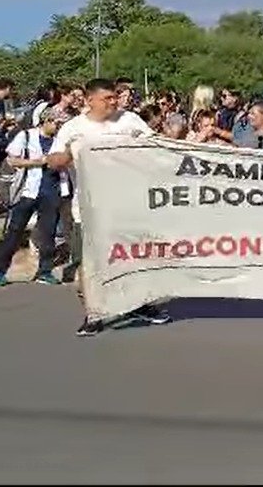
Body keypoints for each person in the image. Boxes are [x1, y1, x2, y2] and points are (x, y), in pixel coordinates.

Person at [44, 78, 167, 337]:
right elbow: (53, 161)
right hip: (87, 208)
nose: (114, 102)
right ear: (90, 101)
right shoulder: (73, 127)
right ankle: (93, 314)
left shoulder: (130, 121)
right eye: (107, 98)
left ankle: (138, 305)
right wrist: (69, 154)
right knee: (87, 264)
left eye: (115, 97)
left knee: (134, 256)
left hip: (128, 204)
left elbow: (156, 147)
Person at [0, 106, 69, 286]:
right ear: (46, 121)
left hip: (52, 190)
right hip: (28, 191)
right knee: (15, 232)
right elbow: (12, 160)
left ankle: (45, 271)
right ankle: (0, 271)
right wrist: (36, 162)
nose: (58, 127)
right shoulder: (26, 136)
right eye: (56, 123)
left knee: (48, 234)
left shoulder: (60, 140)